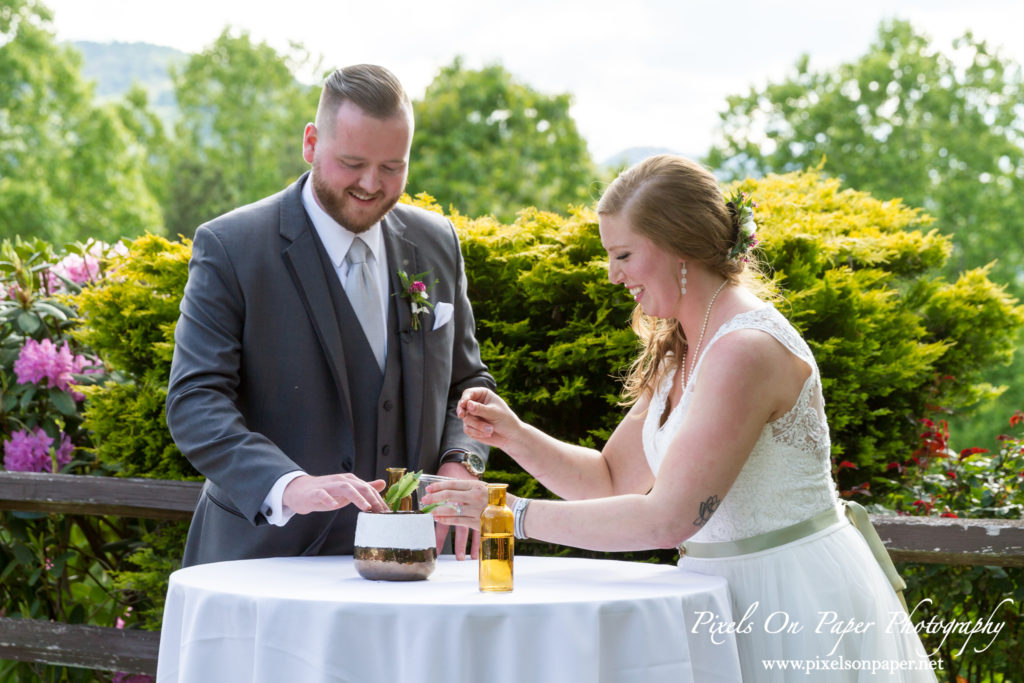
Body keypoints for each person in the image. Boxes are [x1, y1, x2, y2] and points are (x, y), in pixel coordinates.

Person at [425, 155, 936, 680]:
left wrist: (508, 513)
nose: (612, 274)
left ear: (677, 246)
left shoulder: (745, 350)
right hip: (712, 595)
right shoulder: (683, 346)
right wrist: (515, 435)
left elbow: (670, 518)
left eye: (622, 254)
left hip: (791, 598)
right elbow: (610, 479)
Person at [166, 64, 494, 567]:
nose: (371, 184)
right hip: (265, 560)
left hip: (413, 560)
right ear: (311, 142)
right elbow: (195, 400)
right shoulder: (231, 247)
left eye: (392, 167)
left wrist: (461, 460)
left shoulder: (436, 243)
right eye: (352, 162)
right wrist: (288, 485)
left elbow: (468, 383)